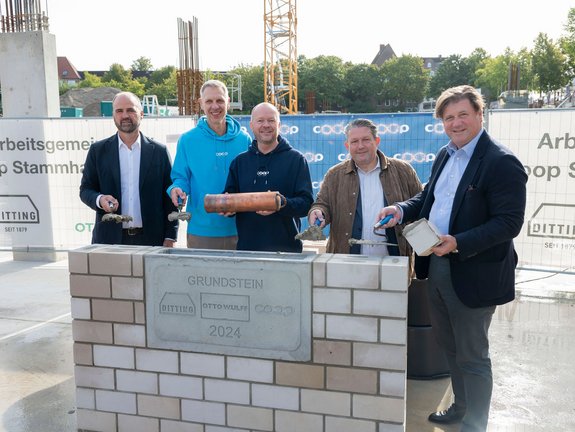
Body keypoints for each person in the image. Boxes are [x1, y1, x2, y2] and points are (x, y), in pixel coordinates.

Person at [378, 85, 527, 432]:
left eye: (463, 115)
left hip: (476, 271)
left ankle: (476, 424)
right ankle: (460, 408)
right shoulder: (446, 154)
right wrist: (400, 209)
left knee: (473, 355)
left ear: (479, 114)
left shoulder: (501, 163)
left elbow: (509, 223)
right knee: (449, 345)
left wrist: (458, 242)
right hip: (438, 264)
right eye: (449, 117)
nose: (456, 123)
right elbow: (428, 198)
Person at [307, 118, 422, 260]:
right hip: (346, 264)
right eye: (354, 142)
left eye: (366, 140)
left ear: (377, 141)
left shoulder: (403, 170)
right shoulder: (334, 175)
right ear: (347, 145)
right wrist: (318, 212)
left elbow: (420, 207)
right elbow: (322, 204)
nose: (360, 146)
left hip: (395, 263)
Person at [80, 91, 178, 247]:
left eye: (130, 110)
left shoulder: (159, 152)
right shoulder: (98, 151)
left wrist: (171, 236)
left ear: (141, 114)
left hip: (152, 241)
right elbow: (86, 190)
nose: (125, 115)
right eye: (119, 111)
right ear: (113, 115)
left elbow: (170, 198)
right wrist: (100, 199)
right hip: (109, 241)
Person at [167, 80, 252, 250]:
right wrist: (176, 189)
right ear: (201, 104)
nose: (215, 106)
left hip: (240, 228)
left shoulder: (245, 140)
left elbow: (249, 181)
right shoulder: (188, 140)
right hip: (201, 231)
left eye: (220, 100)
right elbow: (180, 178)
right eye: (209, 101)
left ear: (228, 102)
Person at [223, 102, 313, 252]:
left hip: (287, 251)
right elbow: (229, 197)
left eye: (271, 120)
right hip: (248, 250)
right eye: (260, 121)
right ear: (251, 125)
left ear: (279, 124)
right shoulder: (239, 162)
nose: (266, 125)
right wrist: (227, 207)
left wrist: (281, 203)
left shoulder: (296, 160)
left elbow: (306, 204)